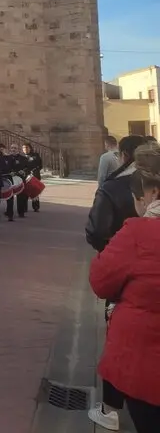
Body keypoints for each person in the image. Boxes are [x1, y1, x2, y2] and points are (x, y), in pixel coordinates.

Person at [88, 142, 160, 432]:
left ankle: (108, 410)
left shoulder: (138, 231)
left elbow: (101, 282)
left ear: (147, 195)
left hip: (145, 353)